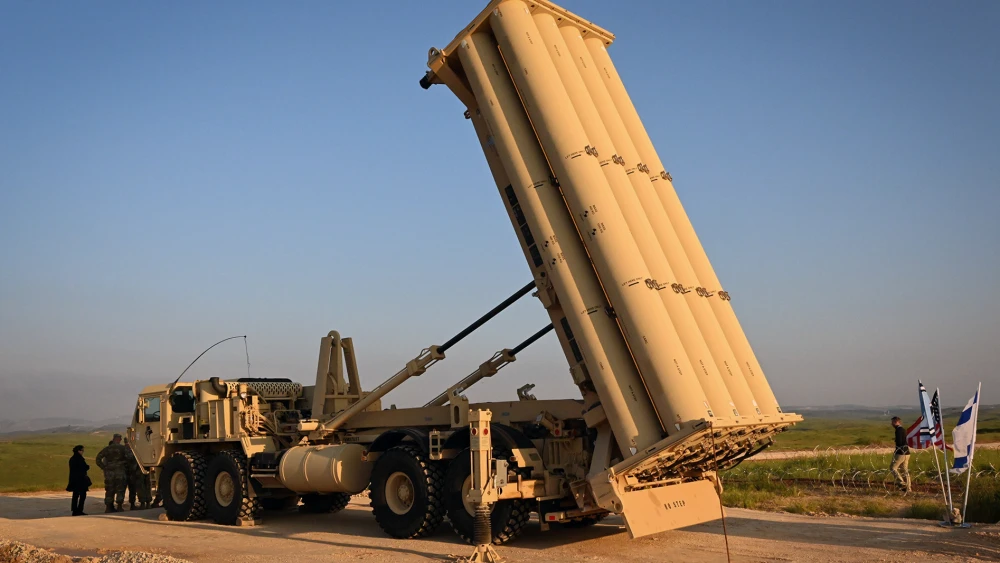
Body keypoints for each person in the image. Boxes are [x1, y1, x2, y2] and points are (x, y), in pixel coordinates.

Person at [95, 433, 129, 513]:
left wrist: (104, 467)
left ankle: (108, 507)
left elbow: (98, 459)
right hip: (120, 472)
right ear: (119, 439)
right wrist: (124, 464)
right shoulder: (123, 448)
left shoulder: (107, 449)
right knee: (120, 489)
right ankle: (119, 506)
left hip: (109, 473)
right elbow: (130, 458)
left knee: (109, 489)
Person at [123, 439, 151, 509]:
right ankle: (147, 503)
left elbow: (129, 459)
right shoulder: (142, 448)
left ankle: (143, 503)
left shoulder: (130, 450)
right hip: (145, 469)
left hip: (137, 471)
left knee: (140, 487)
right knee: (146, 486)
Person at [66, 445, 91, 516]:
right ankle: (79, 510)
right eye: (82, 450)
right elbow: (83, 467)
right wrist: (87, 467)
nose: (83, 452)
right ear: (79, 451)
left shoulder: (72, 459)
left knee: (75, 495)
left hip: (74, 480)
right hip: (81, 480)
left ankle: (74, 510)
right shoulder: (79, 459)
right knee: (82, 495)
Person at [890, 416, 911, 493]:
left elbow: (899, 442)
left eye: (893, 422)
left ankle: (902, 483)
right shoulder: (903, 429)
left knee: (893, 468)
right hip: (907, 453)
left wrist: (896, 450)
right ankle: (908, 488)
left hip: (900, 453)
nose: (892, 424)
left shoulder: (898, 430)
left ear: (897, 422)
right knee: (905, 470)